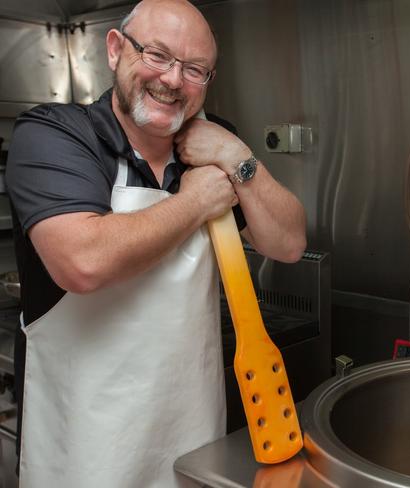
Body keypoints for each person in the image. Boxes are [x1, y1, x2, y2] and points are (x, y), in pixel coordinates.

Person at [5, 0, 306, 486]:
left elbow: (289, 243)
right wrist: (195, 203)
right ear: (115, 49)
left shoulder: (213, 144)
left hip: (191, 424)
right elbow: (83, 261)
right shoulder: (57, 134)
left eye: (194, 69)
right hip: (86, 440)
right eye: (157, 55)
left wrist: (238, 155)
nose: (172, 80)